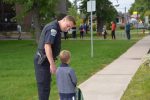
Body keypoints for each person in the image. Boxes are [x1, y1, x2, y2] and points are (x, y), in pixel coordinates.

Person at [34, 15, 76, 100]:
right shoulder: (53, 28)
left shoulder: (57, 28)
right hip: (42, 61)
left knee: (46, 86)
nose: (68, 29)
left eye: (70, 28)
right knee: (43, 87)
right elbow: (47, 46)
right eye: (68, 26)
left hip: (45, 61)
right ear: (63, 20)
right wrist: (52, 64)